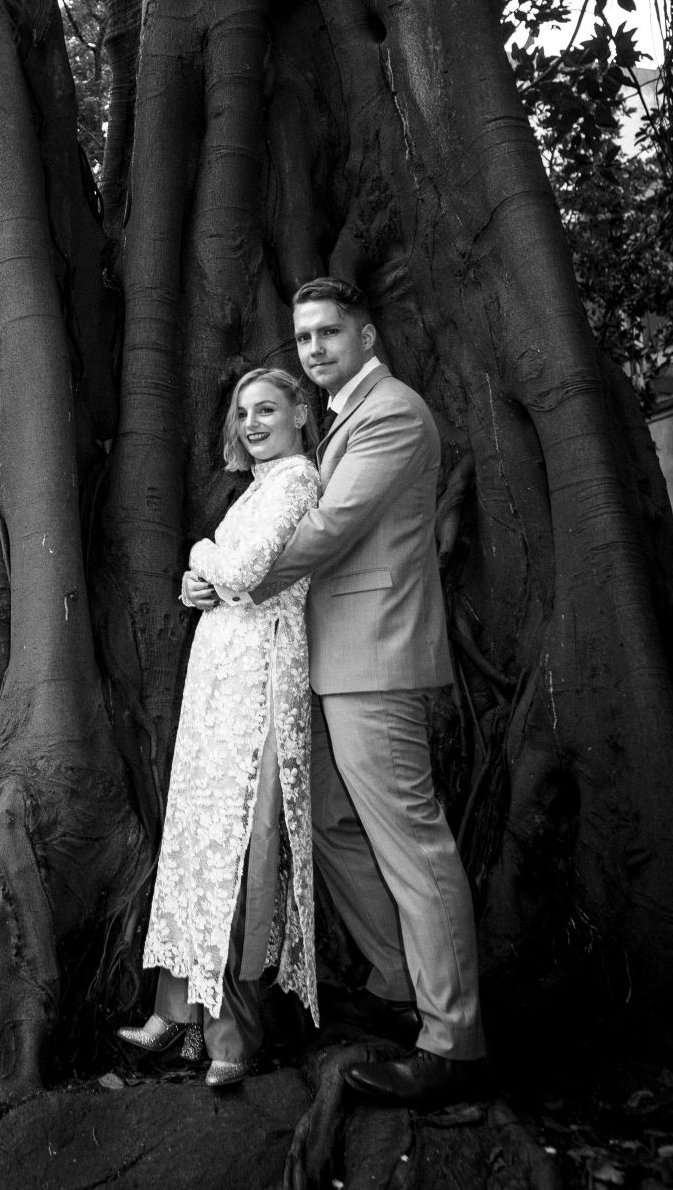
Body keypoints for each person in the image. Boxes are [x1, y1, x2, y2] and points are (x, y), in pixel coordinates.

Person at [238, 276, 485, 1106]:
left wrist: (233, 577)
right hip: (333, 661)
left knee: (413, 842)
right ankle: (392, 984)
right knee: (335, 821)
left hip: (376, 660)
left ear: (367, 335)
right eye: (303, 336)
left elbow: (332, 527)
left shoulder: (390, 413)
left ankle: (452, 1041)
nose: (312, 349)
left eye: (329, 333)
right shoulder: (346, 414)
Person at [119, 368, 322, 1089]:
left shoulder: (298, 482)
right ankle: (177, 1012)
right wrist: (192, 582)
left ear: (301, 410)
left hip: (259, 685)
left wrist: (203, 554)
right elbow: (222, 582)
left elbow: (241, 569)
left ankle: (232, 1032)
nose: (254, 421)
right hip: (218, 684)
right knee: (197, 842)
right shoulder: (256, 489)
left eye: (268, 407)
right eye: (243, 411)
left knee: (241, 847)